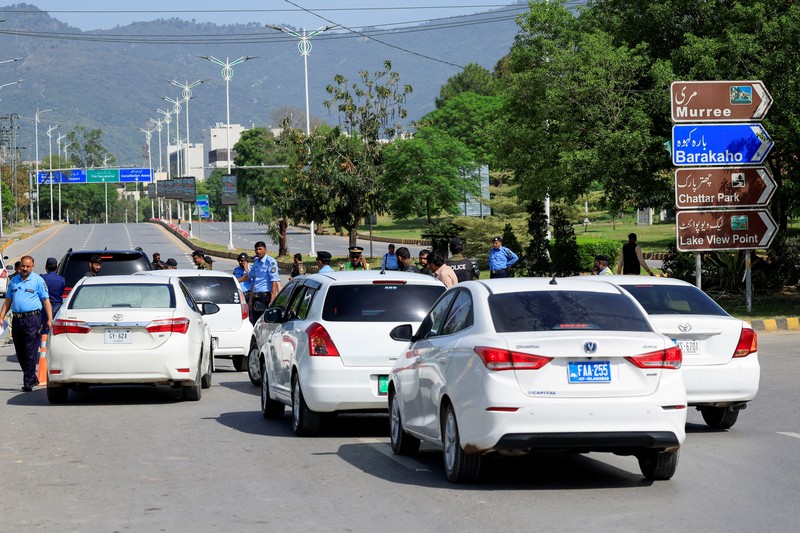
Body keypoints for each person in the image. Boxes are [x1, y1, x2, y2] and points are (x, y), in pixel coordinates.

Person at [0, 255, 53, 392]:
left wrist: (49, 319)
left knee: (30, 350)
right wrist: (1, 317)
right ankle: (32, 377)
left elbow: (46, 301)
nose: (25, 268)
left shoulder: (38, 281)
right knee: (20, 351)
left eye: (28, 266)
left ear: (32, 267)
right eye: (23, 266)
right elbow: (7, 301)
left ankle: (28, 382)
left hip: (33, 319)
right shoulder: (14, 281)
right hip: (17, 319)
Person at [246, 241, 280, 324]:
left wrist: (272, 300)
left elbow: (274, 282)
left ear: (265, 250)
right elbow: (253, 280)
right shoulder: (256, 262)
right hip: (255, 297)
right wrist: (250, 300)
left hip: (264, 297)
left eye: (260, 249)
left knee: (264, 323)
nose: (258, 251)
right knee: (254, 322)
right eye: (256, 249)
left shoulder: (270, 262)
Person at [40, 257, 65, 331]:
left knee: (44, 330)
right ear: (57, 267)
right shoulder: (62, 279)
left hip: (44, 307)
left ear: (45, 267)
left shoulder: (42, 278)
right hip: (57, 307)